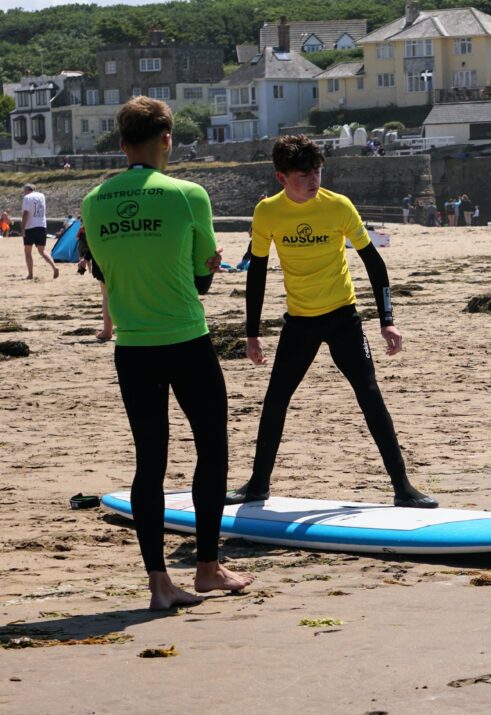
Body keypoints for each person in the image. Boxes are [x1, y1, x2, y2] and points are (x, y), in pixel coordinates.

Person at [80, 96, 253, 610]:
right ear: (167, 140)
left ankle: (158, 584)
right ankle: (206, 568)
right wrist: (205, 265)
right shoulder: (187, 194)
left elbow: (105, 273)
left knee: (149, 462)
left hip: (133, 347)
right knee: (212, 450)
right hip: (185, 340)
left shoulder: (93, 202)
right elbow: (202, 281)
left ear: (121, 144)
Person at [225, 135, 437, 509]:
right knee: (275, 401)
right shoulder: (268, 213)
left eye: (318, 171)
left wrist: (387, 320)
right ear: (282, 177)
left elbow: (374, 261)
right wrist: (252, 334)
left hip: (342, 317)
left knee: (370, 396)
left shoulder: (338, 206)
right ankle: (258, 484)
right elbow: (256, 271)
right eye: (304, 174)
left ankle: (403, 487)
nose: (314, 179)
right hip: (299, 323)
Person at [75, 224, 113, 341]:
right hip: (126, 257)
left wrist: (86, 258)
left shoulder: (96, 214)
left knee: (106, 296)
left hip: (103, 258)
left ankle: (107, 330)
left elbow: (95, 241)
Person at [21, 184, 59, 280]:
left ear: (27, 190)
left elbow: (26, 213)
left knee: (27, 251)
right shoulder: (42, 196)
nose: (23, 193)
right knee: (42, 251)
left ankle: (30, 274)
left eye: (23, 191)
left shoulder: (27, 197)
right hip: (42, 226)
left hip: (30, 227)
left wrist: (23, 228)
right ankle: (54, 267)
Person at [237, 193, 269, 271]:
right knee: (253, 251)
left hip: (261, 236)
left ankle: (245, 264)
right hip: (259, 237)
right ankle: (246, 264)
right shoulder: (261, 210)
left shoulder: (262, 210)